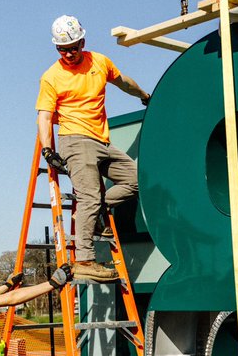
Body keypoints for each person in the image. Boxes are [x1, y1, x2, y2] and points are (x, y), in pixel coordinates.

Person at [36, 14, 151, 282]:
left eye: (73, 47)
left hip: (101, 140)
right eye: (62, 49)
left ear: (82, 42)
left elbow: (123, 82)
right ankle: (85, 260)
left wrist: (144, 96)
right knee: (88, 196)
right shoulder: (51, 77)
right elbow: (43, 115)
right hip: (74, 139)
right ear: (57, 49)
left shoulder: (99, 62)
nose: (69, 54)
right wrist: (47, 150)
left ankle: (99, 210)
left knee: (136, 180)